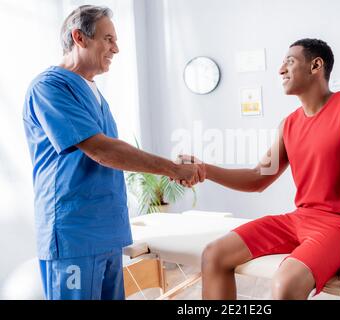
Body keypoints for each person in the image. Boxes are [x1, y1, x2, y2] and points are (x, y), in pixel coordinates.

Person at [181, 38, 340, 300]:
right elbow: (257, 178)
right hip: (301, 219)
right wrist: (204, 169)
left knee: (285, 283)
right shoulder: (288, 125)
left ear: (316, 65)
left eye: (289, 62)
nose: (280, 69)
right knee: (213, 254)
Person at [22, 5, 204, 300]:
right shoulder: (50, 87)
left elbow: (112, 154)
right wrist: (173, 169)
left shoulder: (93, 93)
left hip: (105, 229)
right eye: (108, 39)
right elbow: (102, 150)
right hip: (74, 234)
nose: (116, 48)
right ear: (79, 37)